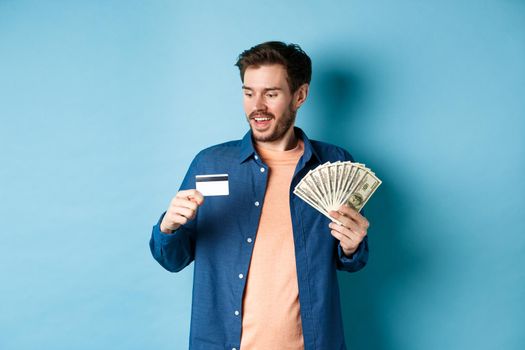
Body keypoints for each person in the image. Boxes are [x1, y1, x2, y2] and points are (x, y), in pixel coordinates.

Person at [149, 41, 370, 350]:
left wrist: (352, 246)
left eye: (271, 93)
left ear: (300, 95)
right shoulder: (210, 163)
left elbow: (349, 261)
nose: (257, 106)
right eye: (248, 92)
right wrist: (168, 227)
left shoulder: (334, 163)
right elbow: (172, 260)